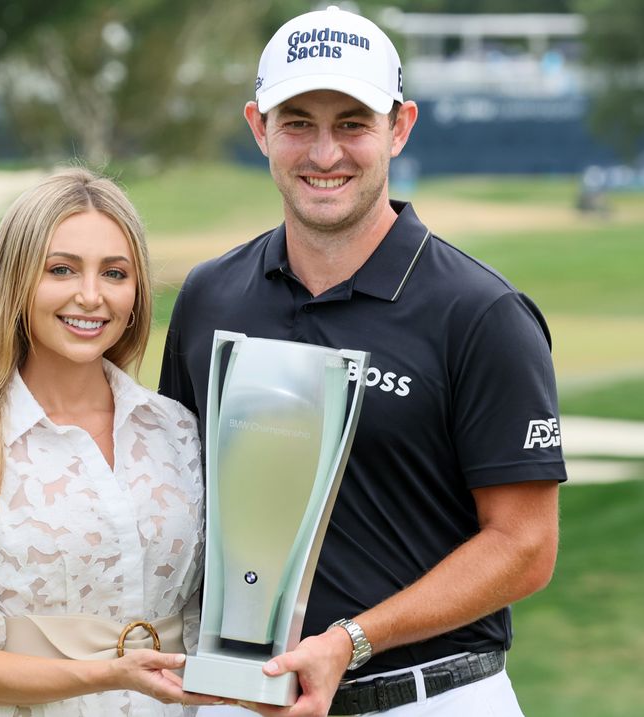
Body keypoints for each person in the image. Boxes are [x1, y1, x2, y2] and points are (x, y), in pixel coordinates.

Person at [159, 6, 565, 716]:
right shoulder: (210, 296)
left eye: (352, 123)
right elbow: (179, 501)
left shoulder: (480, 313)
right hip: (243, 701)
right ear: (258, 127)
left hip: (429, 698)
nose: (324, 154)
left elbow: (526, 545)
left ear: (399, 127)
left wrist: (353, 639)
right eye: (297, 124)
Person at [0, 168, 223, 716]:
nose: (90, 296)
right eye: (62, 270)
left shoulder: (178, 431)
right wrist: (109, 674)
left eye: (115, 273)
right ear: (16, 282)